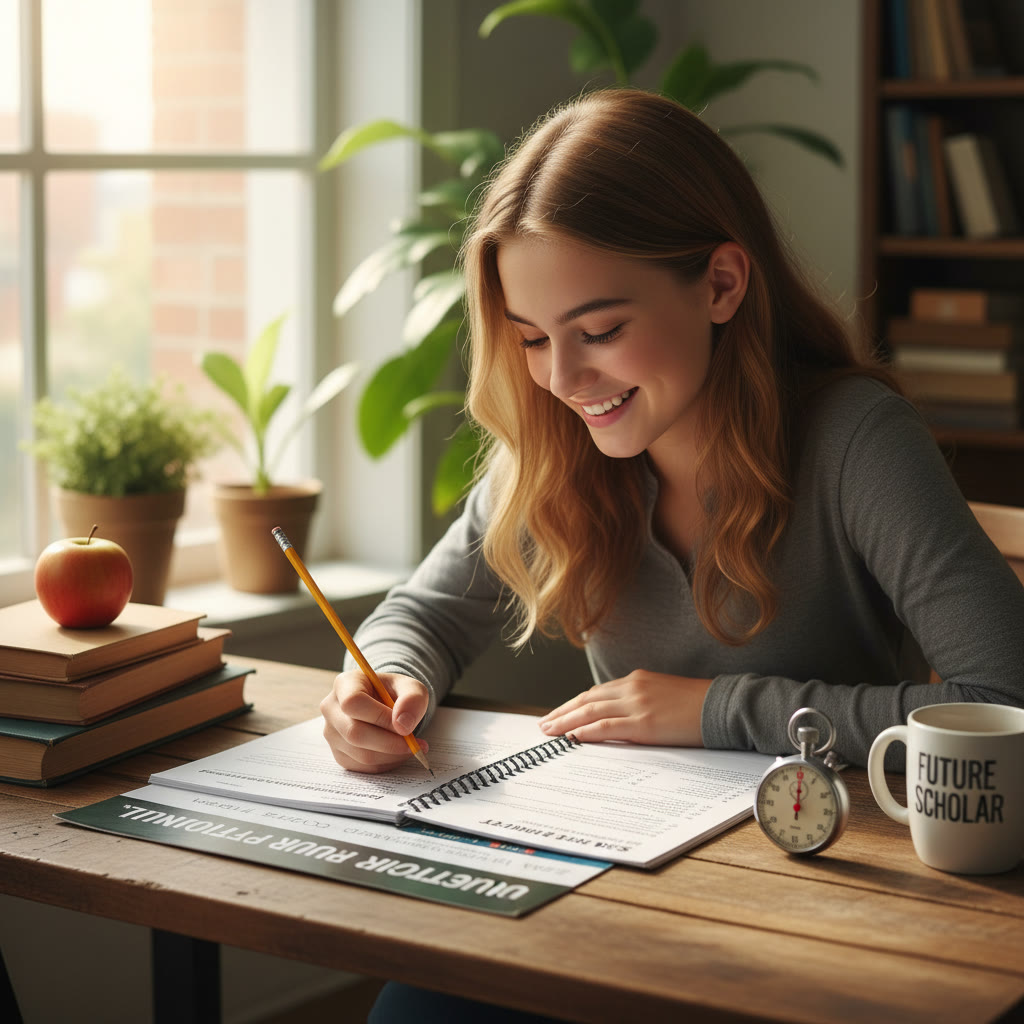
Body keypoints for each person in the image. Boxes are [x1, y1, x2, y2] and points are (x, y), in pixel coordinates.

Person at [324, 85, 1024, 1021]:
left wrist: (719, 711)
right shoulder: (558, 452)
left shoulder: (858, 441)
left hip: (829, 889)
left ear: (723, 285)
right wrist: (380, 681)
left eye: (601, 331)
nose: (564, 380)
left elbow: (1003, 699)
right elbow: (423, 616)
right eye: (532, 339)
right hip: (623, 871)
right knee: (420, 1006)